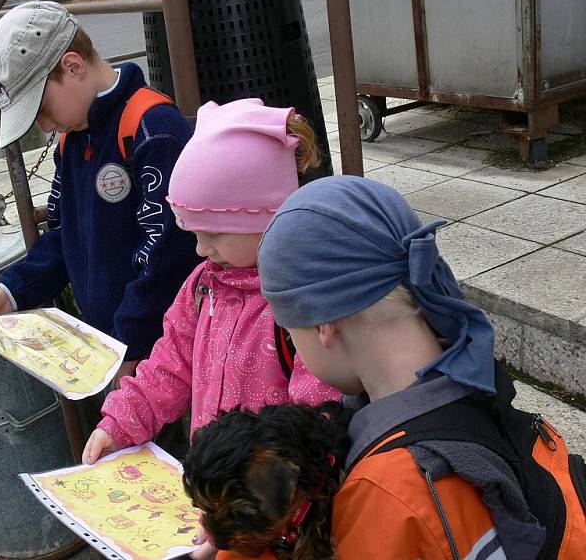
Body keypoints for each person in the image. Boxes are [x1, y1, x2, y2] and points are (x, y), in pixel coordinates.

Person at [249, 175, 549, 559]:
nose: (294, 346)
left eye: (290, 334)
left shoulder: (389, 492)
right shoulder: (473, 385)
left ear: (324, 325)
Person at [82, 99, 340, 469]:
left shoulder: (301, 300)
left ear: (265, 219)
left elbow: (314, 421)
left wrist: (257, 499)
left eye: (215, 233)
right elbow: (169, 365)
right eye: (196, 234)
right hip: (216, 487)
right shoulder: (204, 287)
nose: (202, 249)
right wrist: (119, 424)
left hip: (271, 498)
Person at [0, 2, 200, 387]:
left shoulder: (152, 129)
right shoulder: (72, 139)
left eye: (40, 108)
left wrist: (129, 345)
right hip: (108, 349)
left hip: (161, 352)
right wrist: (12, 290)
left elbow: (169, 257)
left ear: (73, 66)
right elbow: (61, 235)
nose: (42, 124)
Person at [182, 402, 351, 560]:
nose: (216, 541)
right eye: (206, 510)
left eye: (239, 514)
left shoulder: (339, 489)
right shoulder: (274, 479)